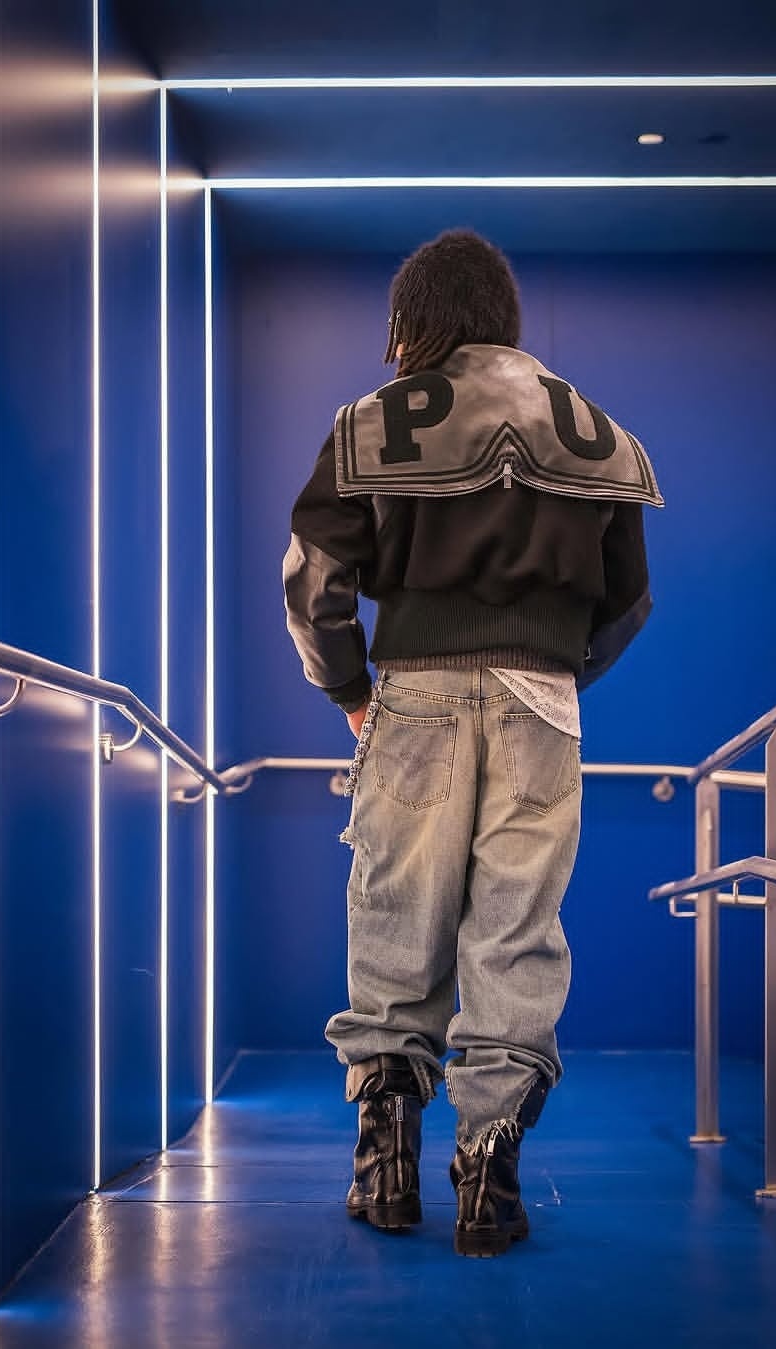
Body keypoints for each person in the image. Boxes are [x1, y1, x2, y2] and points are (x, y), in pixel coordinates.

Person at [283, 229, 662, 1258]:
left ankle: (385, 1165)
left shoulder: (373, 420)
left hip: (413, 694)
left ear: (415, 318)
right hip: (544, 700)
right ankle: (489, 1176)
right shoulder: (594, 430)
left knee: (396, 913)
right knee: (516, 928)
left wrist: (351, 690)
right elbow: (629, 602)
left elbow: (312, 580)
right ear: (507, 314)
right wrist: (553, 675)